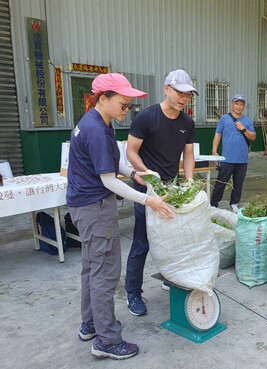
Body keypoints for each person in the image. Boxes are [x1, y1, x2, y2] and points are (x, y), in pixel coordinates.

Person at [66, 73, 174, 360]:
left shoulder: (96, 121)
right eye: (123, 104)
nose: (127, 110)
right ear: (103, 98)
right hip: (95, 209)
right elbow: (108, 180)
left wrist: (136, 174)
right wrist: (148, 199)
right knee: (105, 274)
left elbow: (114, 164)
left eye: (129, 106)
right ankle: (107, 341)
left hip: (83, 207)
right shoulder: (96, 130)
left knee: (92, 267)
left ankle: (91, 324)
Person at [124, 69, 198, 315]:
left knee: (174, 238)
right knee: (141, 242)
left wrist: (188, 180)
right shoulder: (147, 118)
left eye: (188, 95)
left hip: (172, 188)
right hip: (147, 190)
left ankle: (170, 278)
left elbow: (188, 154)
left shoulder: (187, 122)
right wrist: (147, 174)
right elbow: (131, 152)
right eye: (180, 92)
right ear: (166, 89)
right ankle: (133, 293)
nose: (184, 99)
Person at [210, 94, 256, 213]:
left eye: (241, 104)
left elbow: (253, 137)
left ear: (244, 106)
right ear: (232, 104)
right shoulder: (224, 119)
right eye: (236, 104)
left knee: (238, 184)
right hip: (226, 158)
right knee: (221, 182)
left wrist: (243, 129)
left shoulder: (247, 121)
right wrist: (214, 151)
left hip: (242, 159)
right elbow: (218, 135)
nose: (238, 107)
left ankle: (234, 204)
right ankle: (213, 204)